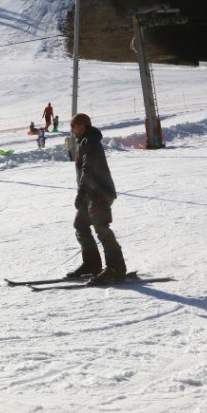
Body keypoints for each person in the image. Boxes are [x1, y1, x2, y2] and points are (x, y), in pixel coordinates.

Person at [67, 113, 126, 285]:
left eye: (74, 127)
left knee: (101, 227)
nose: (72, 130)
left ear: (83, 126)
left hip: (99, 193)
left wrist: (81, 192)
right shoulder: (85, 141)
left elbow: (88, 169)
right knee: (81, 225)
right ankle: (92, 264)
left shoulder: (91, 142)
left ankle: (116, 268)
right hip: (90, 192)